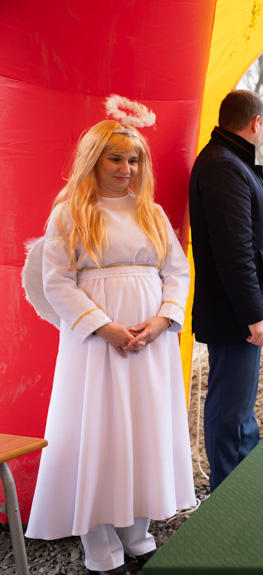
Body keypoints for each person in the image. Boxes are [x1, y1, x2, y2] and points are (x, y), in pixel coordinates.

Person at [25, 111, 194, 575]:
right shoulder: (71, 214)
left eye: (134, 160)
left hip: (150, 343)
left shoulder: (152, 214)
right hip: (97, 346)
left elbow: (176, 273)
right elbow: (56, 282)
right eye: (115, 159)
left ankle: (138, 536)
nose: (126, 168)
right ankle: (100, 550)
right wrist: (103, 326)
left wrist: (163, 320)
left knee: (144, 431)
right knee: (98, 434)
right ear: (93, 161)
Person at [189, 90, 263, 491]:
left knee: (239, 405)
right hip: (236, 314)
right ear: (256, 123)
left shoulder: (227, 161)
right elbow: (235, 248)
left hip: (236, 311)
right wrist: (254, 313)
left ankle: (241, 488)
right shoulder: (224, 166)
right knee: (231, 407)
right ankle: (229, 495)